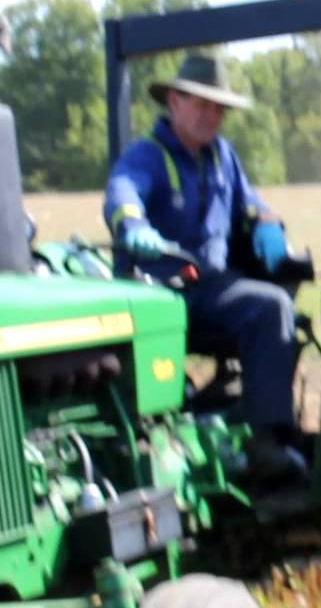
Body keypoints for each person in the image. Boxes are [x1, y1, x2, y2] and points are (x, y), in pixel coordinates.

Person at [103, 51, 307, 488]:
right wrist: (134, 225)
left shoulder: (223, 157)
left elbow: (250, 202)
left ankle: (268, 439)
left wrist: (269, 226)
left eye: (217, 107)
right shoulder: (147, 156)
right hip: (158, 291)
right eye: (200, 104)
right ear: (174, 101)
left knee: (273, 306)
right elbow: (123, 192)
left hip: (210, 289)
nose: (210, 115)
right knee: (269, 307)